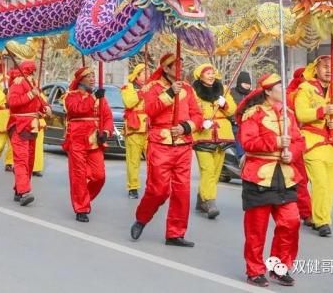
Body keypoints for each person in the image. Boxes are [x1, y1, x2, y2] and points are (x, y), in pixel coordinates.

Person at [236, 73, 305, 287]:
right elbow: (248, 143)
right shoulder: (252, 114)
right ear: (267, 91)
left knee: (291, 222)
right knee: (256, 229)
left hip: (285, 175)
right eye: (279, 88)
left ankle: (279, 267)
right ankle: (254, 270)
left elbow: (300, 141)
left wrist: (291, 152)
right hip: (258, 176)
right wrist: (276, 141)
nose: (283, 91)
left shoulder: (289, 115)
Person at [130, 54, 203, 246]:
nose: (181, 69)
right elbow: (150, 110)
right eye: (176, 66)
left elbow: (197, 115)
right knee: (159, 190)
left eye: (182, 65)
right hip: (160, 144)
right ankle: (142, 218)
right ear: (166, 68)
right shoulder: (152, 87)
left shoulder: (188, 88)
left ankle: (175, 233)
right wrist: (170, 93)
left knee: (182, 191)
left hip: (183, 145)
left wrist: (186, 127)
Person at [294, 55, 333, 237]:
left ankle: (321, 216)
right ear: (316, 69)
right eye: (325, 67)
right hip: (313, 142)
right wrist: (322, 111)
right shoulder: (305, 88)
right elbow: (301, 114)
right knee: (320, 183)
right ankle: (322, 221)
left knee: (330, 186)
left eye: (331, 67)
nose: (329, 70)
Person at [63, 67, 114, 222]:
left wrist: (105, 132)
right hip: (77, 140)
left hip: (94, 141)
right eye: (89, 76)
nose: (93, 79)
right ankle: (81, 208)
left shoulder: (99, 98)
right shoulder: (70, 96)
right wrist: (94, 99)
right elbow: (78, 110)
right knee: (78, 176)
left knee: (99, 176)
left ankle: (84, 198)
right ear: (80, 80)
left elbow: (108, 117)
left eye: (93, 76)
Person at [191, 64, 236, 219]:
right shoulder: (193, 92)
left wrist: (225, 104)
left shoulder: (223, 89)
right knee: (207, 170)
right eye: (207, 73)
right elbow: (191, 111)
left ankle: (201, 199)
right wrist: (201, 122)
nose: (211, 76)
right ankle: (210, 201)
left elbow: (233, 111)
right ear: (200, 76)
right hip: (202, 135)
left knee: (216, 173)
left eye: (212, 73)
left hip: (222, 133)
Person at [7, 61, 50, 206]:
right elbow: (12, 102)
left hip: (32, 126)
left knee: (30, 160)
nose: (33, 75)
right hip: (19, 125)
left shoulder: (32, 84)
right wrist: (31, 94)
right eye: (32, 71)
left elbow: (38, 103)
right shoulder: (18, 83)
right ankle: (25, 191)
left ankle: (19, 189)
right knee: (21, 160)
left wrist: (44, 109)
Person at [285, 67, 313, 228]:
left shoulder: (312, 91)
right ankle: (306, 212)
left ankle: (311, 211)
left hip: (309, 141)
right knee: (299, 179)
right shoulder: (291, 95)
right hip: (294, 140)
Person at [121, 63, 148, 199]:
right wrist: (142, 92)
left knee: (156, 159)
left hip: (151, 127)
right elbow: (129, 102)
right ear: (137, 75)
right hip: (134, 127)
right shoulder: (128, 87)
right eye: (144, 73)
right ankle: (133, 187)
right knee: (133, 160)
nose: (147, 75)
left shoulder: (153, 87)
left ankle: (154, 185)